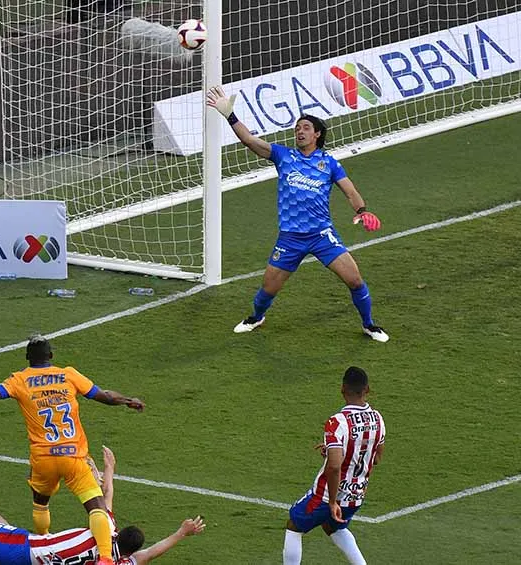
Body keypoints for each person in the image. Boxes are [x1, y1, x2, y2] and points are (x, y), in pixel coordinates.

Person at [0, 334, 145, 565]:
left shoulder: (20, 380)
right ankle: (106, 558)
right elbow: (105, 396)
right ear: (51, 356)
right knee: (97, 507)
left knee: (41, 503)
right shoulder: (68, 374)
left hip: (44, 459)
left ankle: (43, 545)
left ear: (27, 358)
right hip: (73, 456)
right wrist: (128, 400)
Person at [206, 86, 389, 343]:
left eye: (304, 127)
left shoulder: (329, 163)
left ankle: (369, 325)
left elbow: (349, 191)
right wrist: (230, 115)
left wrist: (362, 210)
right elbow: (250, 141)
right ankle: (257, 317)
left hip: (322, 235)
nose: (299, 131)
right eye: (297, 128)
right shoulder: (284, 156)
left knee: (355, 280)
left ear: (317, 134)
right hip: (290, 238)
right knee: (268, 289)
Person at [0, 448, 206, 564]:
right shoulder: (121, 562)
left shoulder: (105, 530)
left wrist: (106, 471)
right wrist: (181, 533)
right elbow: (150, 554)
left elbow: (104, 500)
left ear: (118, 533)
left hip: (22, 550)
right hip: (28, 552)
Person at [282, 367, 385, 565]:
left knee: (294, 526)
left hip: (329, 495)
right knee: (332, 527)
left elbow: (335, 467)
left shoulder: (337, 422)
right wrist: (333, 450)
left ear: (342, 389)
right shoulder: (378, 419)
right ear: (368, 389)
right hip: (356, 495)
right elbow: (376, 458)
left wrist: (331, 502)